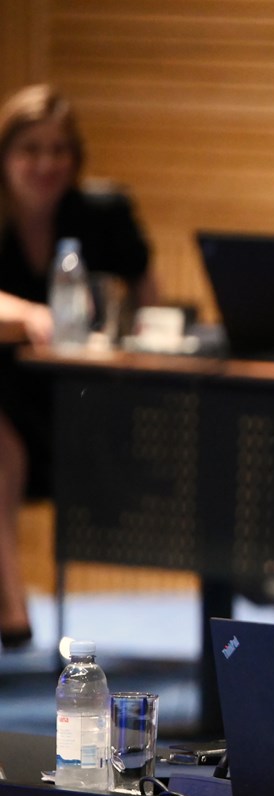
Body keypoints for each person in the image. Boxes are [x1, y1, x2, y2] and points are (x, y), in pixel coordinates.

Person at [0, 84, 156, 650]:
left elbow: (150, 304)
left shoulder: (103, 216)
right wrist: (29, 314)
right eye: (31, 149)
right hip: (13, 404)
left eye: (59, 150)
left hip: (95, 409)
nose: (47, 163)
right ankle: (12, 605)